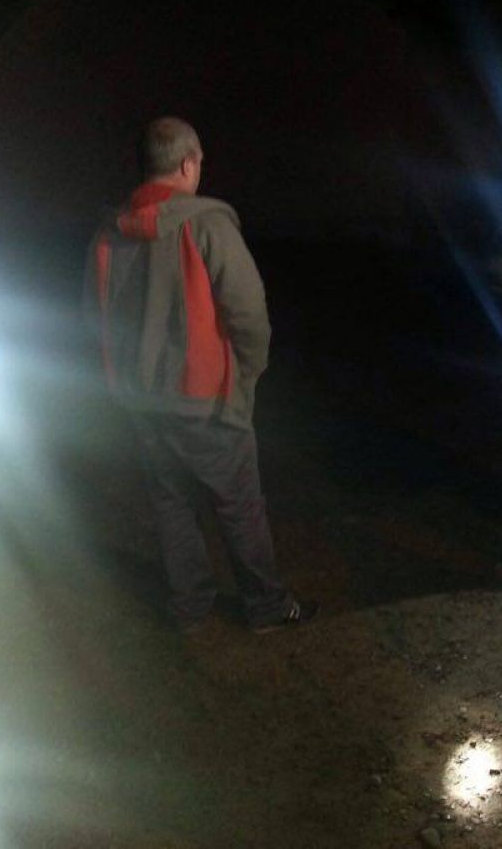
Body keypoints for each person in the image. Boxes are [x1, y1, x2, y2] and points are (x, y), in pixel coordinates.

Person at [85, 117, 317, 634]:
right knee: (239, 507)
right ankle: (265, 606)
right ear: (188, 164)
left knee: (172, 504)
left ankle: (190, 607)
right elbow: (249, 312)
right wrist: (246, 377)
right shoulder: (207, 225)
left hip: (142, 399)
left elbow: (95, 315)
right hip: (206, 399)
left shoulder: (109, 233)